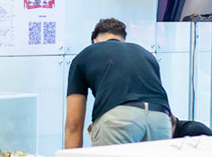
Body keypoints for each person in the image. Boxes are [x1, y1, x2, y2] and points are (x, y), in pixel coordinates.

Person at [64, 18, 173, 148]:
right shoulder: (146, 54)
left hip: (120, 120)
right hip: (161, 119)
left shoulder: (85, 54)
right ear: (122, 39)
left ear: (95, 41)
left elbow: (73, 124)